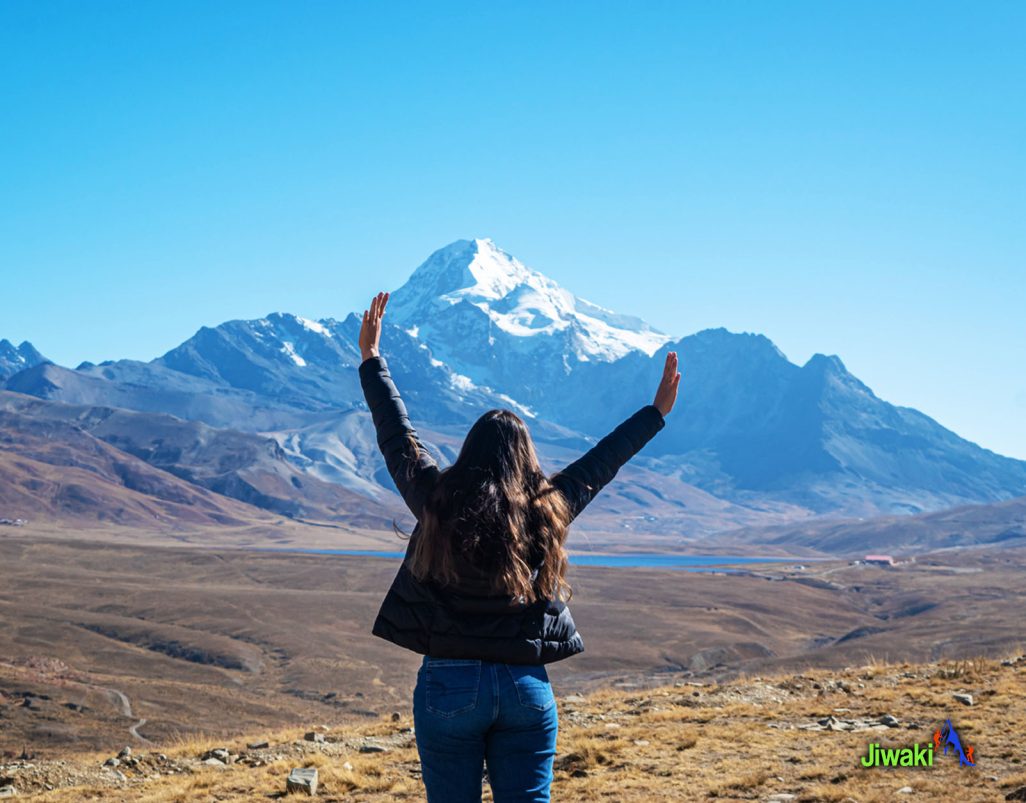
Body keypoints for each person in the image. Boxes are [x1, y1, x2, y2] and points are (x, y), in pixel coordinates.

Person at [357, 290, 680, 803]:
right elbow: (601, 464)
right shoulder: (547, 510)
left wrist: (372, 361)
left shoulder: (437, 499)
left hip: (448, 686)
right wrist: (655, 414)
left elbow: (397, 438)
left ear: (469, 453)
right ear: (526, 458)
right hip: (524, 688)